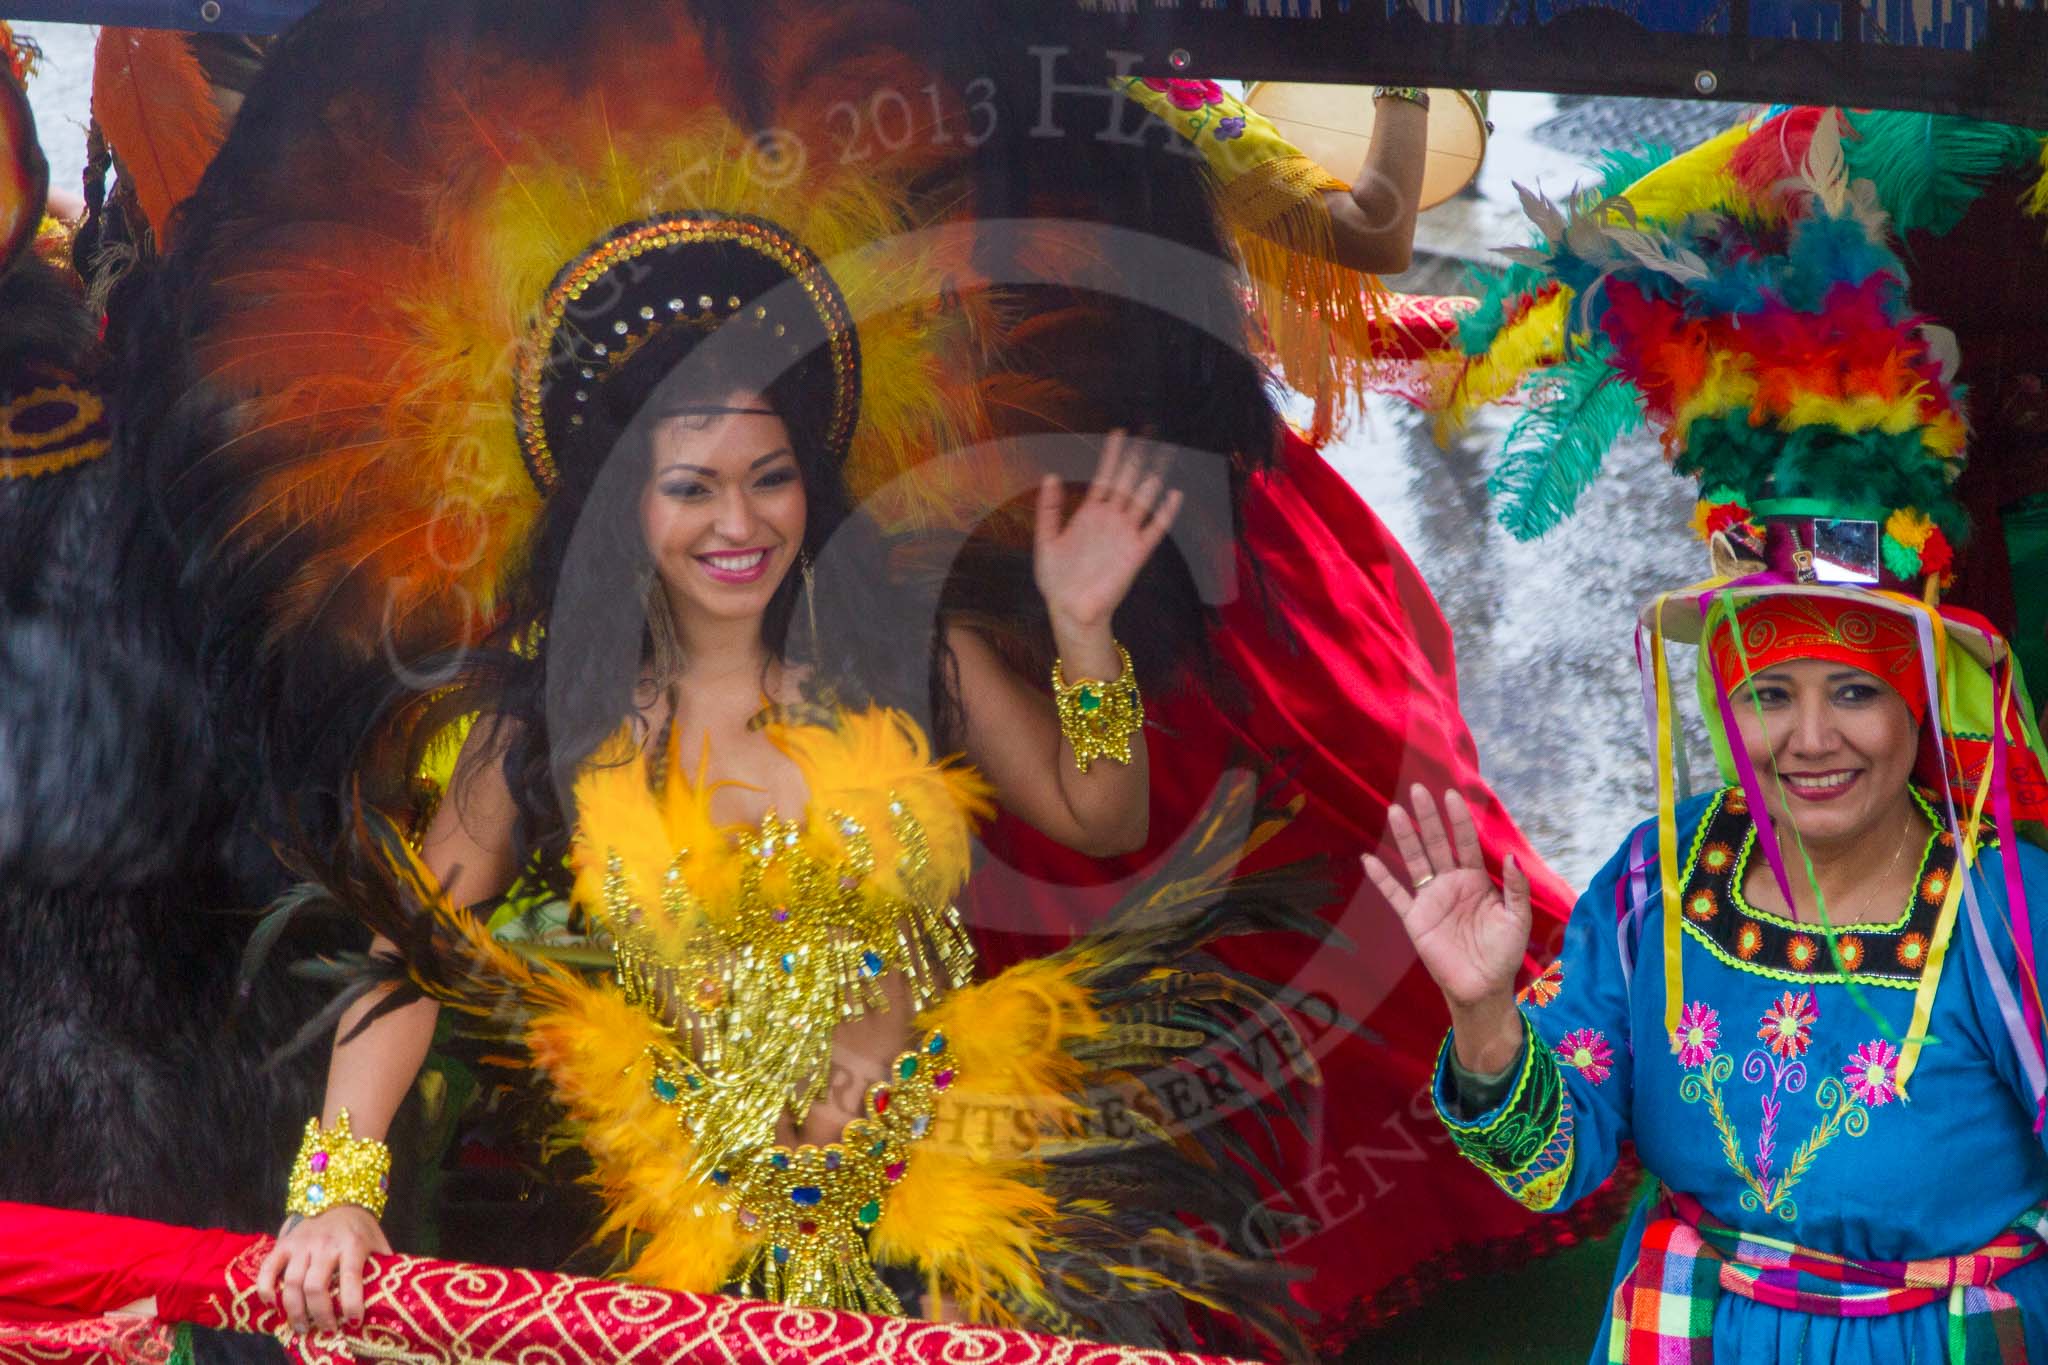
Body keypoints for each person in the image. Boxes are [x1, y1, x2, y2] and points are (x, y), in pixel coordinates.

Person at [130, 4, 1325, 1355]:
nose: (736, 523)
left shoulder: (915, 657)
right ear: (621, 507)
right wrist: (334, 1194)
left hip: (954, 1240)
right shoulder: (540, 728)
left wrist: (1086, 630)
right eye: (689, 488)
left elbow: (1101, 818)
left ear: (810, 483)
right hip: (689, 1266)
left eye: (768, 478)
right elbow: (406, 957)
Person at [1375, 138, 2048, 1359]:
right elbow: (1551, 1168)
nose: (1806, 740)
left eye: (1852, 692)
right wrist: (1480, 1014)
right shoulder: (1655, 884)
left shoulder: (2007, 913)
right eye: (1765, 695)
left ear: (1917, 707)